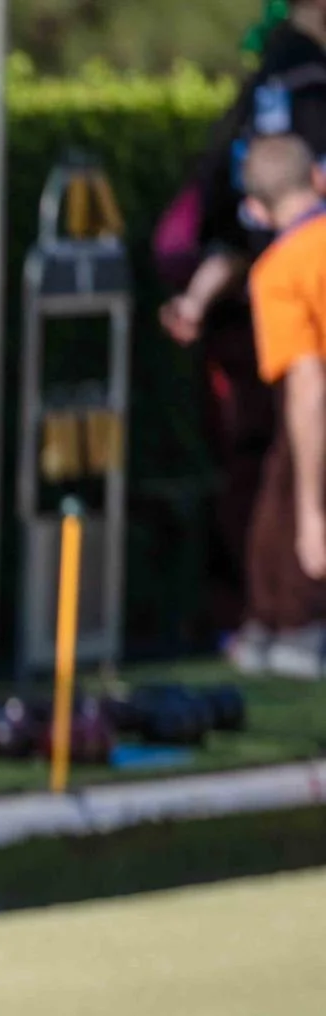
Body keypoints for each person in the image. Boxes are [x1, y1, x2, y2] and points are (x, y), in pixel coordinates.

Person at [165, 0, 326, 669]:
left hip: (282, 353)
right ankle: (285, 621)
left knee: (272, 470)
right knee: (282, 473)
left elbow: (307, 388)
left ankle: (269, 622)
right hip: (298, 368)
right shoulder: (304, 87)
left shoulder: (261, 93)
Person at [241, 133, 326, 675]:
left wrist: (312, 511)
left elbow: (308, 385)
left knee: (287, 495)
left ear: (254, 209)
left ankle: (291, 631)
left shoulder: (280, 269)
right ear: (317, 179)